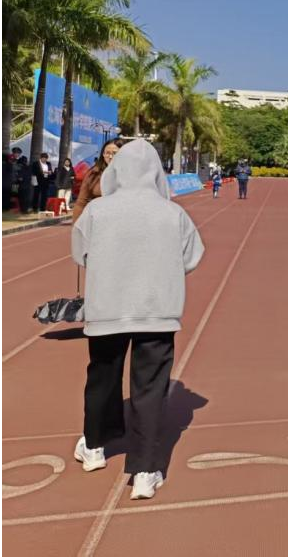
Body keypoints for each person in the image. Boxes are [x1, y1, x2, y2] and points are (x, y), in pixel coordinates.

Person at [71, 140, 204, 500]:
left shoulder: (97, 212)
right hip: (156, 311)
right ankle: (145, 471)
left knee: (102, 378)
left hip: (107, 309)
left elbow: (80, 254)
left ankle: (94, 447)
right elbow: (192, 257)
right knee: (149, 389)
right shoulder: (172, 214)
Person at [74, 139, 123, 222]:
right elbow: (81, 202)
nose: (110, 157)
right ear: (103, 154)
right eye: (107, 153)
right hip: (98, 222)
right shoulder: (94, 173)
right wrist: (76, 225)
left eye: (115, 153)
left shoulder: (131, 174)